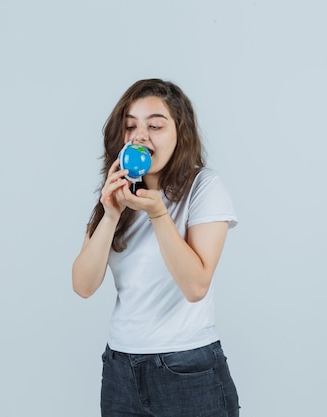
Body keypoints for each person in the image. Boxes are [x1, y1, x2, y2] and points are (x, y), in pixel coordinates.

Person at [72, 78, 240, 417]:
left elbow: (195, 286)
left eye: (155, 125)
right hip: (121, 371)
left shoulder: (203, 187)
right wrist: (110, 214)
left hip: (187, 369)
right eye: (130, 125)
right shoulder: (116, 193)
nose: (140, 135)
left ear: (181, 132)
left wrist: (158, 212)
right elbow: (83, 285)